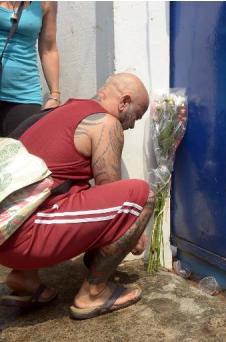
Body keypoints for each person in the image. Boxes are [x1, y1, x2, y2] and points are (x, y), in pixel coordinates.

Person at [0, 73, 155, 320]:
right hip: (25, 239)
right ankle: (94, 292)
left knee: (68, 189)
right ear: (124, 102)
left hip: (7, 234)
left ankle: (24, 277)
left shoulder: (59, 112)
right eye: (136, 115)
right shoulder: (106, 122)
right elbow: (112, 194)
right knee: (143, 196)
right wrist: (134, 228)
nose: (133, 124)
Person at [0, 1, 60, 136]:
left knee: (18, 153)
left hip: (24, 95)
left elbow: (48, 49)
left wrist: (55, 95)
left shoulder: (46, 3)